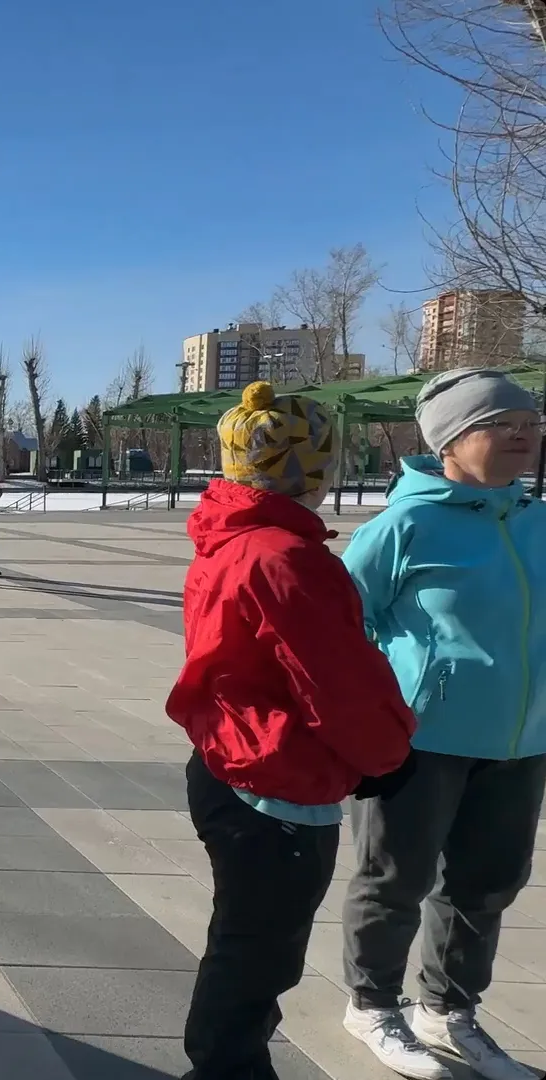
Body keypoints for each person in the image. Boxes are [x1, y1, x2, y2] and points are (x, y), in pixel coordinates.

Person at [167, 382, 418, 1080]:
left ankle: (224, 1062)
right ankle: (225, 1069)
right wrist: (388, 754)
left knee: (242, 938)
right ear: (317, 468)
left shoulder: (229, 537)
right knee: (260, 953)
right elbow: (337, 681)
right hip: (273, 776)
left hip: (228, 757)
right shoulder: (287, 558)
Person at [339, 367, 546, 1080]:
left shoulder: (538, 522)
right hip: (419, 742)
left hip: (521, 741)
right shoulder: (404, 525)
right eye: (500, 424)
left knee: (488, 883)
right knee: (394, 878)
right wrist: (387, 702)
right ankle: (371, 1004)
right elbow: (343, 623)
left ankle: (449, 1010)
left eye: (531, 423)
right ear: (450, 442)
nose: (522, 435)